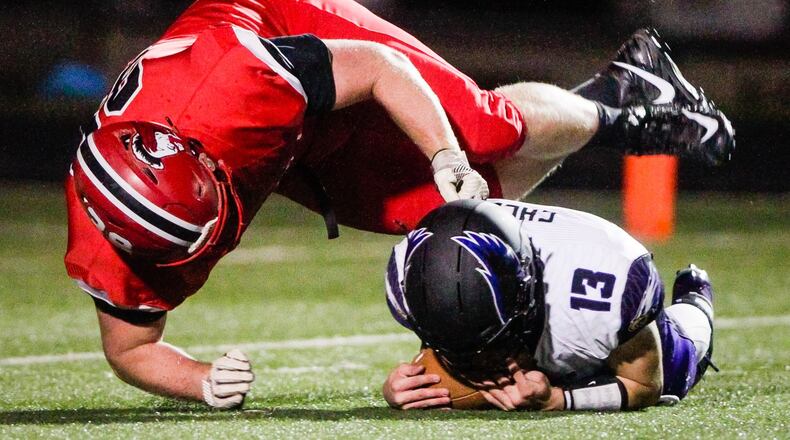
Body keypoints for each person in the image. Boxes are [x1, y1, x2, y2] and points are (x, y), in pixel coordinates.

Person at [65, 0, 732, 408]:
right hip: (269, 134)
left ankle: (616, 108)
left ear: (205, 164)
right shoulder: (112, 228)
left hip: (281, 22)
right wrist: (199, 379)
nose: (212, 243)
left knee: (480, 133)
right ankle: (618, 95)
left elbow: (385, 71)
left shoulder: (237, 82)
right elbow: (130, 347)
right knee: (437, 217)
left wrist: (443, 154)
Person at [382, 200, 716, 411]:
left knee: (677, 367)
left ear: (527, 288)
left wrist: (557, 398)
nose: (479, 366)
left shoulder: (608, 281)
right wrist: (401, 388)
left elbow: (644, 386)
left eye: (493, 347)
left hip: (602, 331)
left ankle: (694, 296)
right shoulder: (414, 269)